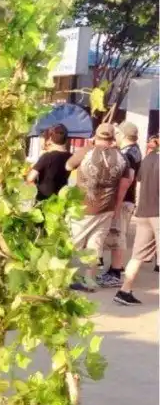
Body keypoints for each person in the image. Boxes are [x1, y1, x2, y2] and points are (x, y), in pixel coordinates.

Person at [65, 123, 133, 292]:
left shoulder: (86, 151)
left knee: (72, 243)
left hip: (82, 207)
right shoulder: (121, 157)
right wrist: (117, 208)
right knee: (95, 245)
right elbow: (125, 183)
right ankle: (89, 280)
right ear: (112, 138)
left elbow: (68, 166)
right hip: (106, 208)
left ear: (96, 136)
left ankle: (62, 279)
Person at [97, 121, 142, 288]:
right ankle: (113, 269)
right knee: (118, 235)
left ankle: (115, 272)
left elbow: (126, 180)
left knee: (118, 235)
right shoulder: (134, 150)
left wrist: (116, 204)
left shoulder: (128, 154)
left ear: (122, 134)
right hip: (126, 200)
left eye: (117, 133)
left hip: (123, 200)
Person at [113, 144, 159, 305]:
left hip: (144, 212)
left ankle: (124, 291)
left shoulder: (149, 158)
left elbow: (139, 180)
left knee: (137, 256)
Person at [26, 123, 71, 202]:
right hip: (61, 198)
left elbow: (30, 178)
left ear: (50, 138)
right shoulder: (70, 156)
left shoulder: (47, 157)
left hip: (44, 199)